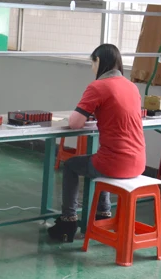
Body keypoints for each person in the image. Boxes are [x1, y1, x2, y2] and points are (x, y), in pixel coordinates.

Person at [47, 43, 146, 243]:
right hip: (138, 161)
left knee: (72, 165)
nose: (92, 68)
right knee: (100, 158)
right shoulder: (131, 87)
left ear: (98, 61)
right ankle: (103, 214)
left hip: (115, 163)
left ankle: (68, 221)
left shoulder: (98, 86)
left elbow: (75, 123)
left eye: (92, 63)